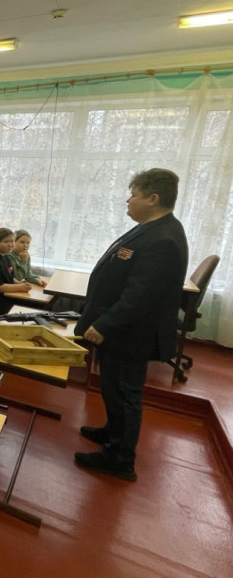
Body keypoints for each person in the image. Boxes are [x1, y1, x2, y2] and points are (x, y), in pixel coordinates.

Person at [74, 169, 188, 481]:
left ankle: (120, 458)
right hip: (124, 331)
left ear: (153, 199)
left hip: (130, 333)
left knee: (125, 394)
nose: (128, 200)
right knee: (113, 389)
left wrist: (105, 325)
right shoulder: (151, 229)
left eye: (134, 195)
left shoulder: (163, 239)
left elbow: (141, 296)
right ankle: (114, 432)